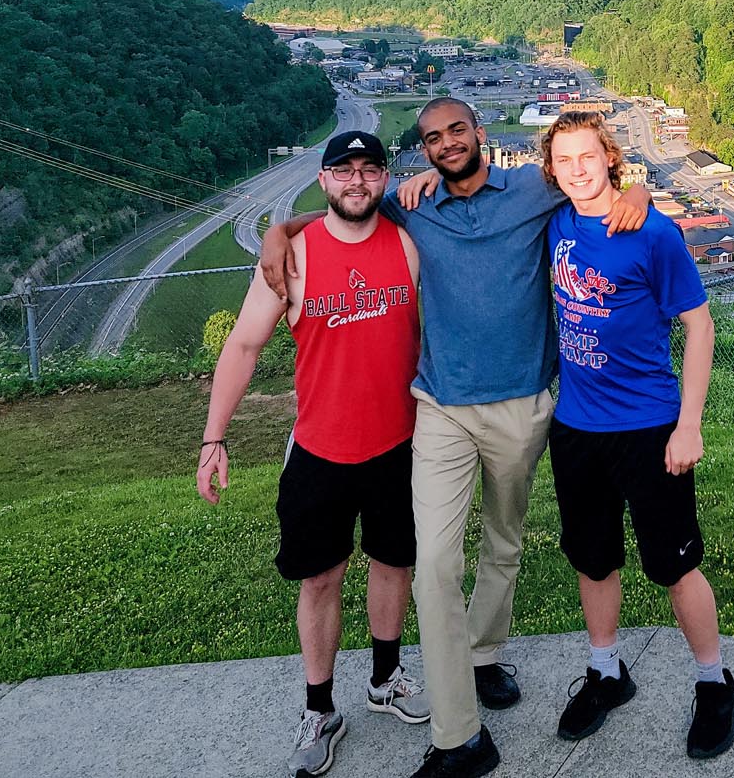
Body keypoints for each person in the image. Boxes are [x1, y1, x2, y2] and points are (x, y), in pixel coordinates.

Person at [262, 98, 649, 778]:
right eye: (431, 138)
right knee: (434, 567)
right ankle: (459, 736)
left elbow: (599, 181)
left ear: (479, 134)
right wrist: (277, 230)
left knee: (504, 542)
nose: (445, 143)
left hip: (521, 405)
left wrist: (638, 190)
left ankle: (483, 656)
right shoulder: (412, 202)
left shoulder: (534, 188)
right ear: (424, 149)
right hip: (438, 407)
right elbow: (341, 213)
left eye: (456, 130)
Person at [200, 130, 430, 778]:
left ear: (383, 179)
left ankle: (385, 679)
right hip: (320, 450)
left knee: (393, 564)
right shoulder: (291, 257)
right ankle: (321, 708)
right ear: (324, 180)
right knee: (320, 578)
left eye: (369, 170)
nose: (357, 181)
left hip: (397, 446)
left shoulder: (408, 242)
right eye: (344, 171)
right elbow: (243, 348)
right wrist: (213, 439)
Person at [538, 110, 734, 758]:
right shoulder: (556, 225)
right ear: (551, 169)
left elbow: (700, 327)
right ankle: (606, 673)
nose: (577, 170)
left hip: (650, 427)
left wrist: (689, 425)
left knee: (676, 566)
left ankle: (715, 685)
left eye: (588, 158)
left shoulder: (653, 234)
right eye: (564, 160)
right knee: (593, 559)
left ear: (610, 160)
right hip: (576, 427)